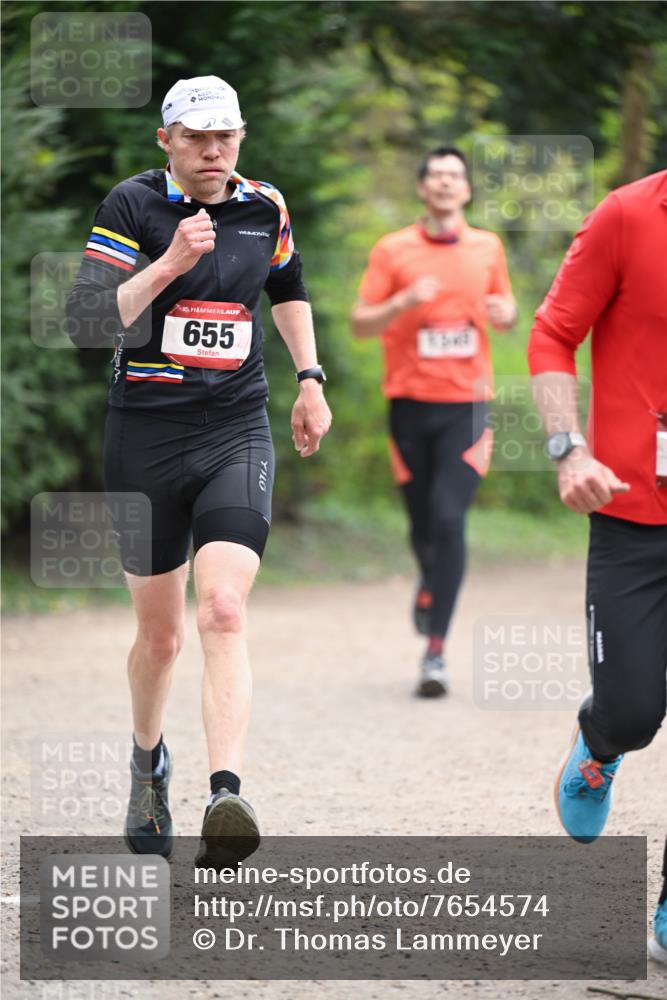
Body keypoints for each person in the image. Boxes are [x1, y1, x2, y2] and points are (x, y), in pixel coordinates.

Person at [66, 76, 331, 866]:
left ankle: (225, 792)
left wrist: (310, 378)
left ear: (240, 139)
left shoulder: (263, 207)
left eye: (227, 137)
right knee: (161, 635)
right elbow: (86, 322)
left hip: (233, 430)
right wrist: (169, 264)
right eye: (197, 139)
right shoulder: (132, 207)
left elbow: (286, 285)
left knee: (221, 608)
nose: (214, 152)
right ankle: (148, 764)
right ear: (167, 142)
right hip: (144, 434)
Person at [527, 169, 666, 957]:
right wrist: (567, 446)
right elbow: (550, 333)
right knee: (635, 712)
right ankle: (599, 740)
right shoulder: (625, 215)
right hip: (628, 509)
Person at [351, 145, 516, 697]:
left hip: (467, 408)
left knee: (449, 519)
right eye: (436, 175)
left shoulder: (488, 247)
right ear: (422, 188)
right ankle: (429, 580)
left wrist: (505, 313)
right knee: (423, 524)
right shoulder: (393, 249)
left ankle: (436, 651)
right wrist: (400, 302)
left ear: (466, 189)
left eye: (455, 175)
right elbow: (360, 324)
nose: (446, 183)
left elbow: (507, 309)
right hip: (409, 406)